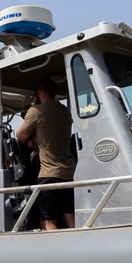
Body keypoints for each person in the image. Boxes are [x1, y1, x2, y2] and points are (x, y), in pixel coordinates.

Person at [16, 78, 77, 229]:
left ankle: (60, 252)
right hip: (69, 171)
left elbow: (20, 136)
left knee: (47, 221)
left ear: (40, 92)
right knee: (69, 217)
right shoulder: (65, 111)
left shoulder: (36, 110)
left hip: (49, 172)